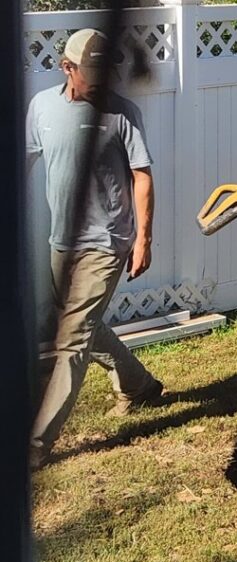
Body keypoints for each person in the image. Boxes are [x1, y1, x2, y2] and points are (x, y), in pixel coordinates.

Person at [27, 29, 164, 470]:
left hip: (106, 242)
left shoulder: (123, 113)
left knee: (72, 339)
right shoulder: (42, 108)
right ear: (67, 68)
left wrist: (143, 238)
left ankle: (36, 446)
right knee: (81, 325)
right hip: (61, 241)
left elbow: (143, 176)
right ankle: (138, 385)